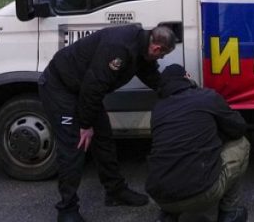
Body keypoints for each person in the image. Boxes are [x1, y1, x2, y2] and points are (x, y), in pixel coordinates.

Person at [39, 24, 177, 222]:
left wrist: (178, 92)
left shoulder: (140, 46)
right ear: (157, 48)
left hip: (85, 91)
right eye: (162, 55)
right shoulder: (120, 48)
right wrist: (85, 126)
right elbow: (93, 87)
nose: (161, 59)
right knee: (75, 145)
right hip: (61, 88)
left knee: (104, 138)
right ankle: (67, 209)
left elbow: (151, 76)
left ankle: (115, 192)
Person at [146, 65, 249, 222]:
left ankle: (168, 215)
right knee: (241, 144)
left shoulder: (157, 109)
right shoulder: (207, 97)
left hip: (160, 197)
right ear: (187, 76)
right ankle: (230, 212)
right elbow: (239, 128)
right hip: (202, 194)